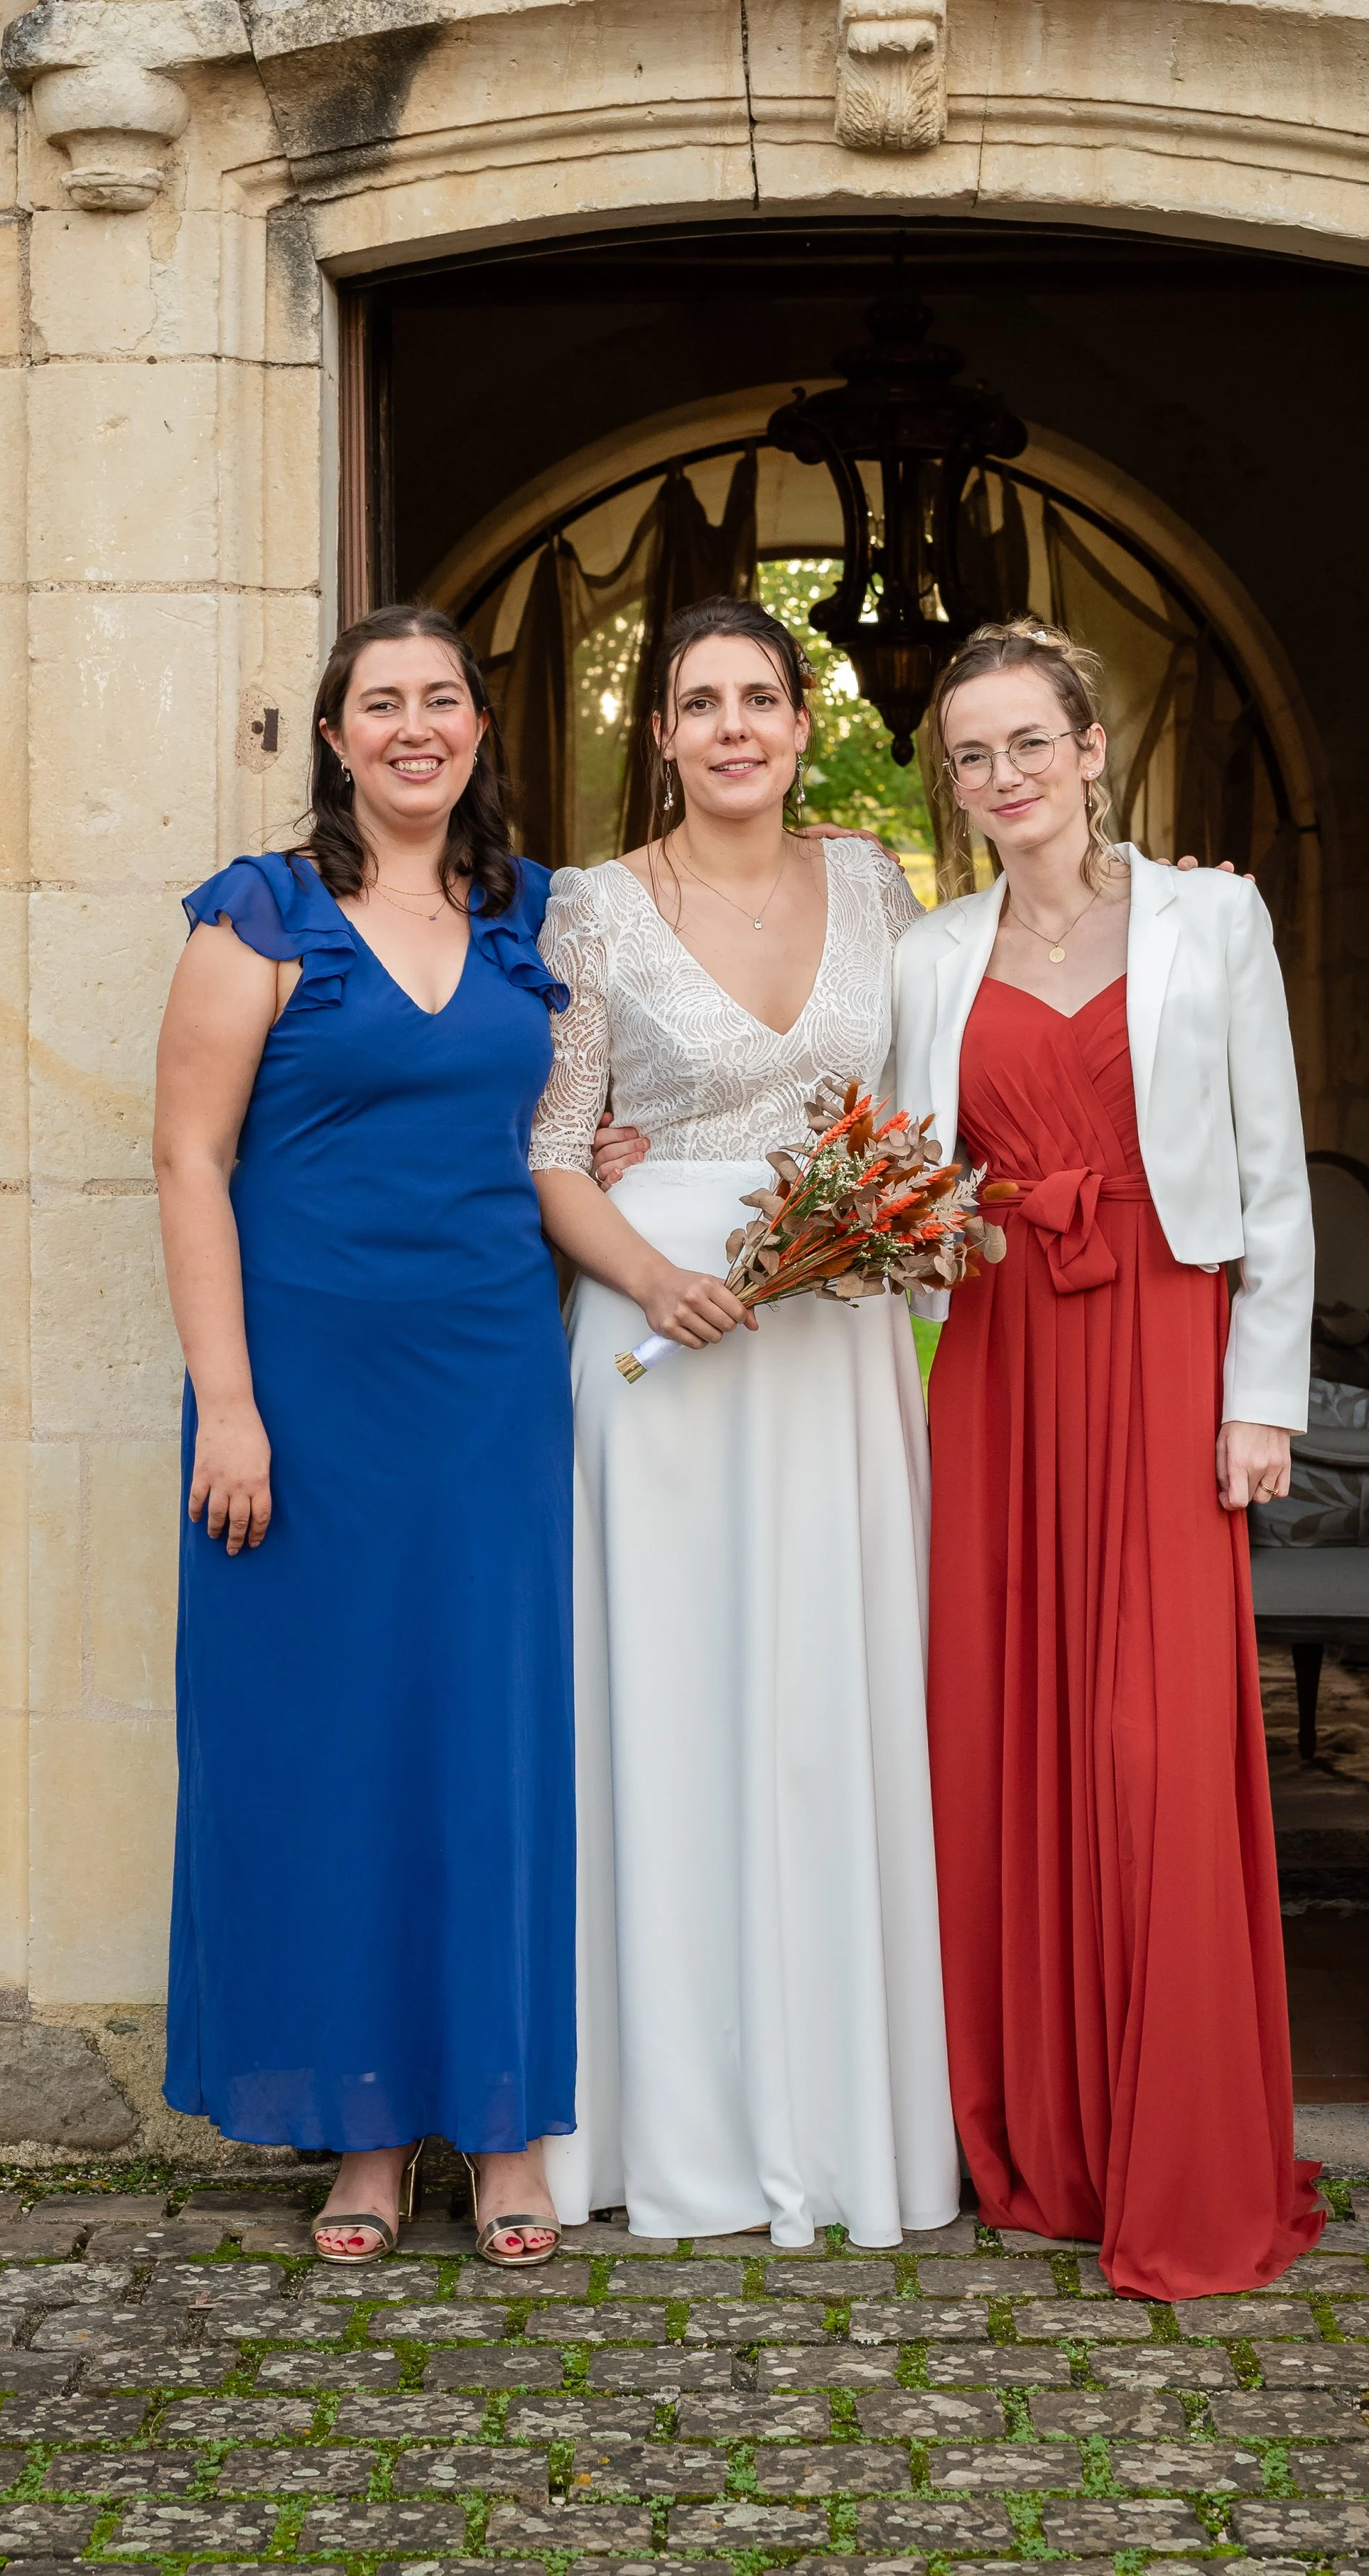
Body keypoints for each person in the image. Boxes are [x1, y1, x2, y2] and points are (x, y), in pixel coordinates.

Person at [892, 618, 1323, 2299]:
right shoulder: (931, 953)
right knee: (1007, 1725)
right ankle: (1044, 2145)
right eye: (972, 755)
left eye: (1028, 744)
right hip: (994, 1357)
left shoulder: (1213, 916)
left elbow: (1271, 1167)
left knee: (1151, 1742)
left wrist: (1258, 1392)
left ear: (1090, 752)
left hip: (1161, 1344)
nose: (1003, 778)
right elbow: (869, 1157)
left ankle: (1177, 2151)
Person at [529, 596, 960, 2247]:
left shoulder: (869, 880)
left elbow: (925, 1095)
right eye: (698, 702)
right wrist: (650, 1275)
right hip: (658, 1348)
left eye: (759, 699)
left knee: (823, 1711)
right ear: (662, 734)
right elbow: (553, 1147)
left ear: (798, 721)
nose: (730, 728)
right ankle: (664, 2134)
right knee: (670, 1711)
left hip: (834, 1337)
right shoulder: (591, 910)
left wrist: (1175, 905)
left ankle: (842, 2128)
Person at [153, 605, 575, 2266]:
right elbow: (190, 1161)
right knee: (326, 1755)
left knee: (485, 1745)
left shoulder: (531, 913)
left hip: (484, 1391)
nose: (414, 726)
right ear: (333, 737)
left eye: (441, 701)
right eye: (378, 703)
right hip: (301, 1401)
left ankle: (508, 2127)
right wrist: (233, 1405)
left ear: (479, 728)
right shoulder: (255, 912)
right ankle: (363, 2136)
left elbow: (566, 1115)